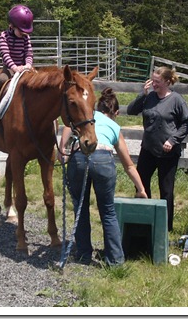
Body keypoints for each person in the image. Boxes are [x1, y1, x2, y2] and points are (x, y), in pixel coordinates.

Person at [59, 87, 148, 266]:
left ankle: (83, 254)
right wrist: (141, 189)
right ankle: (115, 260)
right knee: (108, 211)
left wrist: (62, 149)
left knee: (80, 207)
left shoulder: (87, 115)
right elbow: (129, 165)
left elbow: (68, 126)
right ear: (116, 113)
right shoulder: (114, 127)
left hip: (78, 157)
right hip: (103, 159)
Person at [127, 66, 188, 232]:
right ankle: (144, 221)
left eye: (157, 81)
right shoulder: (149, 97)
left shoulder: (177, 100)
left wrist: (173, 140)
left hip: (167, 152)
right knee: (141, 184)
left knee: (166, 190)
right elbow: (131, 111)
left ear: (167, 82)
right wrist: (143, 94)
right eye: (152, 81)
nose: (154, 84)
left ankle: (165, 227)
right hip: (148, 149)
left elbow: (187, 123)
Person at [0, 5, 34, 122]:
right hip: (10, 67)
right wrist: (14, 67)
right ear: (11, 25)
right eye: (21, 31)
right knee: (2, 79)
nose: (23, 33)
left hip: (24, 67)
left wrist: (28, 65)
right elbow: (6, 55)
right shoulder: (4, 36)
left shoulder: (26, 37)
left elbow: (28, 53)